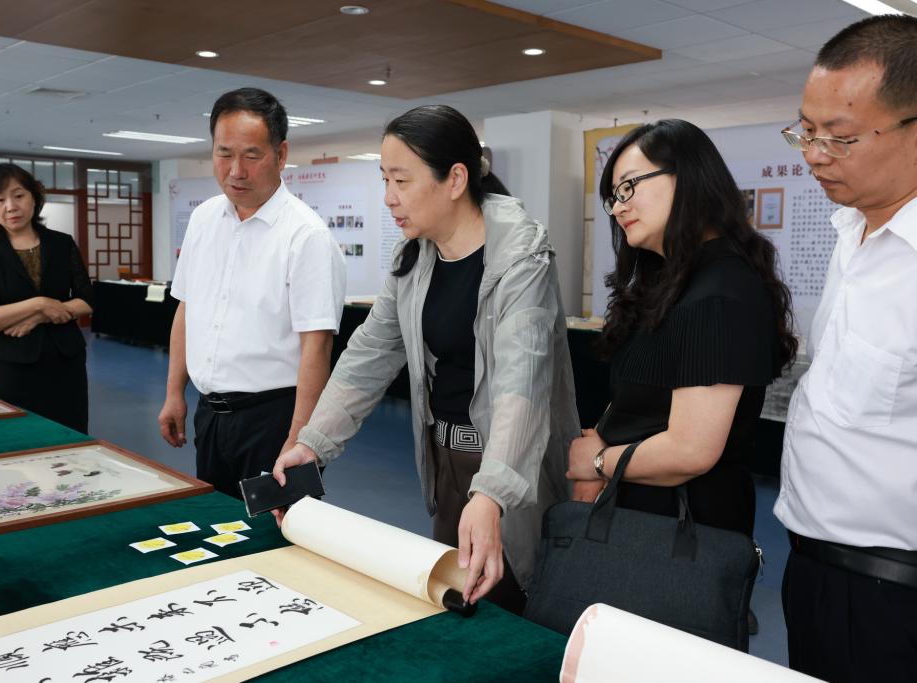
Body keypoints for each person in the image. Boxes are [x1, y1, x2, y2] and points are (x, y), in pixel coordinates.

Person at [272, 104, 579, 614]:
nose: (389, 197)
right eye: (384, 179)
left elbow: (520, 385)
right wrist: (313, 443)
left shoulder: (521, 259)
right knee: (454, 604)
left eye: (402, 180)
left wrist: (492, 493)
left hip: (512, 467)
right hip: (447, 464)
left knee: (517, 607)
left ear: (455, 179)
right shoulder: (414, 257)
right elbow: (369, 355)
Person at [567, 119, 796, 545]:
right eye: (614, 197)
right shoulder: (672, 281)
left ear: (688, 178)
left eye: (629, 187)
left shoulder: (720, 292)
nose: (618, 208)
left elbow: (690, 451)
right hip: (640, 514)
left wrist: (598, 462)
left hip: (680, 531)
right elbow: (642, 398)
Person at [773, 16, 917, 682]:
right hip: (815, 568)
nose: (814, 154)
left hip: (893, 593)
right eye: (806, 131)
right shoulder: (851, 230)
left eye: (840, 137)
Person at [158, 87, 346, 499]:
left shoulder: (306, 236)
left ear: (281, 154)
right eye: (224, 154)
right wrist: (174, 392)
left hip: (274, 420)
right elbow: (187, 309)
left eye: (251, 155)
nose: (236, 171)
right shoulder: (204, 219)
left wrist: (298, 440)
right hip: (211, 416)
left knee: (276, 531)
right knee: (217, 525)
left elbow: (316, 347)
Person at [0, 163, 94, 433]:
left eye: (19, 195)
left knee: (69, 434)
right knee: (19, 435)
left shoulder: (62, 243)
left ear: (34, 198)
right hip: (12, 363)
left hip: (66, 359)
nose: (11, 206)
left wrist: (37, 317)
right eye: (0, 200)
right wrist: (40, 304)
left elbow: (86, 299)